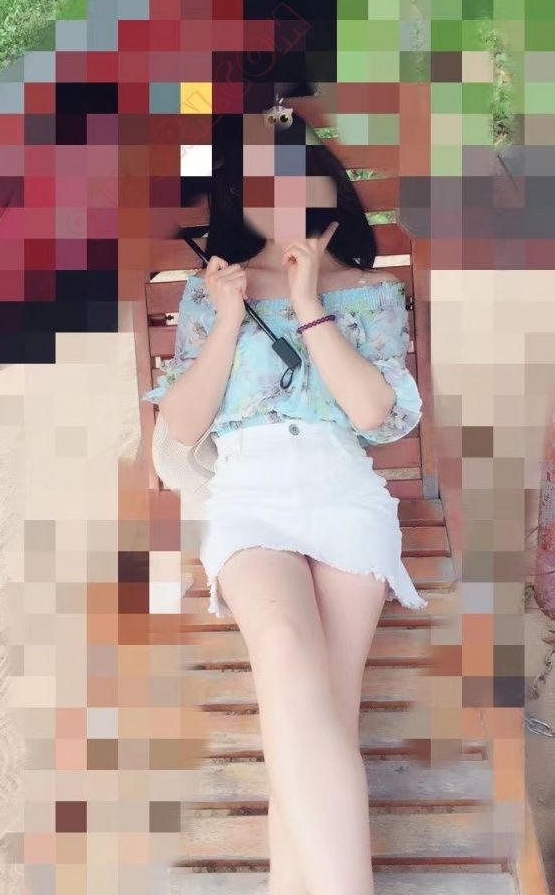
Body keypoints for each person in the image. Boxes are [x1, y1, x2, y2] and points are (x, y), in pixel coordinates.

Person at [141, 107, 426, 895]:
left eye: (303, 178)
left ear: (330, 189)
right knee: (284, 646)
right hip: (251, 496)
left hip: (346, 497)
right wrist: (229, 318)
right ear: (244, 200)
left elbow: (372, 413)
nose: (289, 196)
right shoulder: (211, 294)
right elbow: (183, 425)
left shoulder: (370, 291)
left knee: (323, 709)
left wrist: (308, 300)